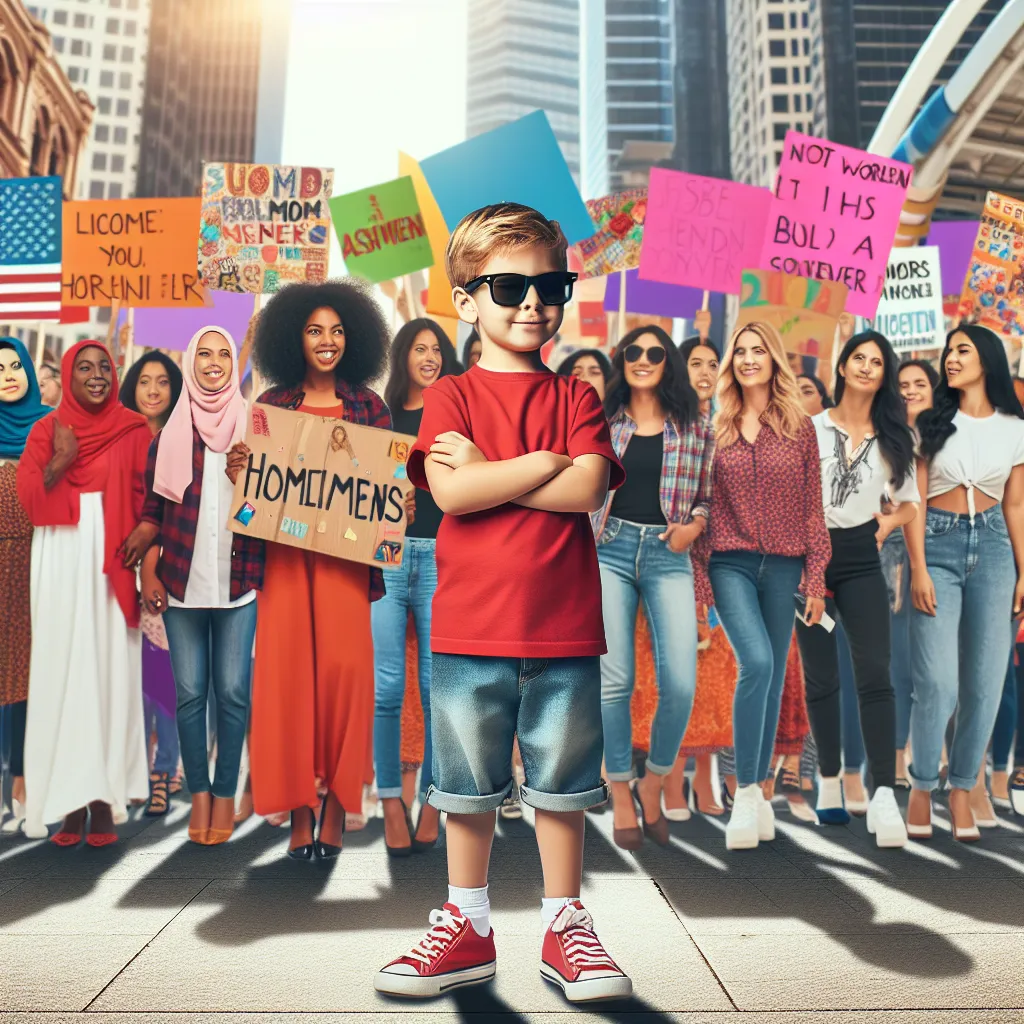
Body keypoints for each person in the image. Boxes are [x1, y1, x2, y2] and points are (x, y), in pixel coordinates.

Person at [376, 202, 631, 1002]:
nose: (532, 301)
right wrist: (541, 463)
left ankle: (566, 925)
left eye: (549, 283)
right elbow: (452, 495)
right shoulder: (449, 396)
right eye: (510, 285)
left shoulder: (578, 396)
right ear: (466, 299)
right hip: (467, 627)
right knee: (465, 785)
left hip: (563, 630)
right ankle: (467, 922)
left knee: (562, 784)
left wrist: (501, 469)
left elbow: (589, 487)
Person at [232, 280, 391, 861]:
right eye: (315, 330)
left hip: (345, 561)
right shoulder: (271, 407)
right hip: (285, 561)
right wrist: (241, 472)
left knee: (345, 678)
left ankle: (336, 805)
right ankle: (301, 810)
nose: (327, 341)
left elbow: (384, 488)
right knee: (290, 680)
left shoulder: (371, 407)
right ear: (292, 337)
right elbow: (253, 497)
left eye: (338, 330)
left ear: (354, 339)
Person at [699, 321, 830, 851]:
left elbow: (812, 509)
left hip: (784, 567)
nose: (750, 358)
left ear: (775, 358)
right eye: (742, 351)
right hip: (728, 562)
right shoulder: (715, 426)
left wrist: (815, 577)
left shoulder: (800, 428)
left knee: (773, 676)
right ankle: (746, 793)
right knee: (755, 663)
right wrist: (698, 588)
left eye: (759, 349)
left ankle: (759, 795)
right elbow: (700, 506)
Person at [17, 341, 152, 845]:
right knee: (62, 670)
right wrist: (61, 460)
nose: (96, 376)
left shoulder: (133, 428)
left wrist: (146, 548)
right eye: (85, 368)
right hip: (60, 555)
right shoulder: (46, 431)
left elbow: (148, 498)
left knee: (106, 671)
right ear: (69, 376)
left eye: (105, 368)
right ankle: (66, 803)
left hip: (112, 559)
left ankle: (103, 799)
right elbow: (31, 498)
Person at [132, 329, 259, 845]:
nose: (213, 363)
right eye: (203, 354)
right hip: (182, 582)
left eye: (223, 354)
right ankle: (199, 796)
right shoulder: (170, 433)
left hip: (239, 582)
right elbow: (152, 510)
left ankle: (225, 794)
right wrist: (148, 570)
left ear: (234, 362)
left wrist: (249, 479)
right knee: (189, 696)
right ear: (191, 363)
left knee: (230, 694)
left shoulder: (255, 425)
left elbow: (269, 512)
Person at [795, 331, 917, 848]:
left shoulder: (895, 437)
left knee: (875, 672)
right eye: (859, 358)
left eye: (877, 362)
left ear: (883, 375)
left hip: (863, 558)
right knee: (821, 675)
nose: (867, 367)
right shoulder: (809, 427)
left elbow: (908, 502)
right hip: (810, 560)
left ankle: (884, 792)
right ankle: (827, 780)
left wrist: (890, 526)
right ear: (842, 366)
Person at [592, 326, 711, 850]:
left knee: (681, 682)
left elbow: (708, 496)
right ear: (623, 360)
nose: (643, 360)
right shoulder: (603, 421)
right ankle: (621, 790)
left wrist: (695, 525)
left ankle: (655, 778)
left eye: (654, 352)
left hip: (669, 552)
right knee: (614, 681)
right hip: (609, 551)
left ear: (669, 363)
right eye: (633, 352)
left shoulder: (693, 425)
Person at [907, 325, 1024, 842]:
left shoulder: (1015, 427)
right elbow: (914, 497)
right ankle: (920, 785)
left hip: (997, 547)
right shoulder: (932, 422)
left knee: (985, 683)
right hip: (937, 543)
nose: (951, 359)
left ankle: (960, 791)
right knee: (937, 682)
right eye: (949, 351)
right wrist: (918, 568)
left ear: (988, 361)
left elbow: (1017, 504)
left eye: (963, 351)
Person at [375, 317, 453, 855]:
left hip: (443, 556)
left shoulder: (458, 416)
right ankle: (387, 802)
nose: (428, 356)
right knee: (385, 689)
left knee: (434, 690)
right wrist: (387, 500)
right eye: (419, 347)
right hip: (385, 555)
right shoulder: (377, 419)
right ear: (403, 355)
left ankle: (431, 800)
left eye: (437, 349)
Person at [118, 353, 184, 818]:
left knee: (163, 683)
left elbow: (169, 513)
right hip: (119, 571)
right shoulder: (119, 439)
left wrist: (152, 568)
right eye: (145, 381)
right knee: (131, 683)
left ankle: (163, 773)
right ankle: (134, 770)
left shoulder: (181, 441)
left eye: (164, 381)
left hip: (162, 575)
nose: (154, 389)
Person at [0, 339, 51, 838]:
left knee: (27, 683)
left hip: (36, 565)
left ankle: (23, 784)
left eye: (16, 364)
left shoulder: (48, 430)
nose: (10, 374)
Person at [888, 359, 940, 788]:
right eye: (902, 383)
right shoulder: (888, 436)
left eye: (919, 383)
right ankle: (896, 756)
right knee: (900, 664)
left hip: (944, 553)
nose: (909, 390)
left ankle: (936, 753)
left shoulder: (950, 436)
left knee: (937, 667)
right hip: (897, 557)